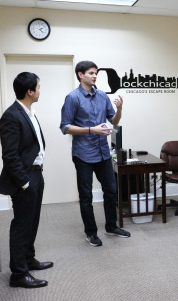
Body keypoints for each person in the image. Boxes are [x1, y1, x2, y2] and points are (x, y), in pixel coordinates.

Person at [60, 60, 130, 247]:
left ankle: (111, 226)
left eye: (96, 73)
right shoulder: (73, 98)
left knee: (111, 191)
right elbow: (65, 127)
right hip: (83, 154)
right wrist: (92, 130)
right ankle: (91, 233)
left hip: (103, 153)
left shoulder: (102, 96)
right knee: (86, 196)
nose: (95, 76)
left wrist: (120, 109)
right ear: (80, 75)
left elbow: (113, 122)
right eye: (91, 73)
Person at [0, 72, 52, 288]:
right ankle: (18, 274)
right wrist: (24, 182)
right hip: (25, 177)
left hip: (37, 173)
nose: (40, 90)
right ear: (30, 91)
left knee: (33, 220)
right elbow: (9, 156)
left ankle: (28, 259)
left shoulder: (28, 112)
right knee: (21, 224)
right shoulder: (11, 115)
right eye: (38, 87)